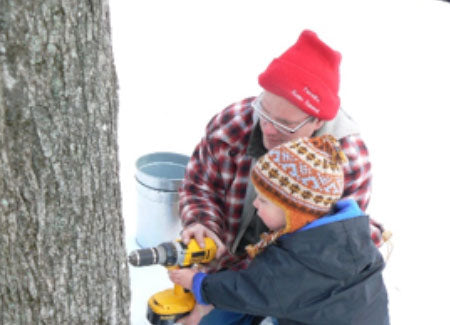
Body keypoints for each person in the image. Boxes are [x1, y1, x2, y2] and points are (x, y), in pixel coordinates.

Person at [178, 29, 389, 324]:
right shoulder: (233, 125)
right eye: (264, 111)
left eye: (285, 124)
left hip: (296, 289)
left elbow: (336, 252)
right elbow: (199, 185)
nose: (268, 128)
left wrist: (224, 291)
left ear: (318, 121)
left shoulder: (346, 161)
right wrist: (203, 224)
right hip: (228, 273)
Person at [170, 135, 390, 324]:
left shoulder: (302, 262)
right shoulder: (345, 236)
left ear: (294, 213)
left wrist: (199, 283)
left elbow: (252, 289)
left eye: (264, 201)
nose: (255, 204)